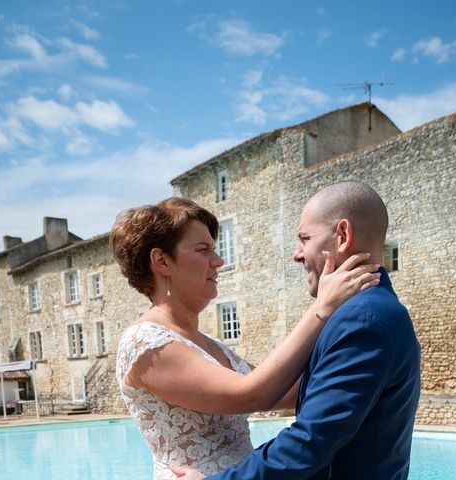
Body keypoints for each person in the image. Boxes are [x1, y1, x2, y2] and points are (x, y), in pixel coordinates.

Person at [111, 197, 380, 480]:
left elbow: (285, 392)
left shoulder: (211, 345)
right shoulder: (143, 343)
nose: (219, 261)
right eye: (203, 250)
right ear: (162, 261)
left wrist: (361, 353)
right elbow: (254, 394)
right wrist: (322, 308)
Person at [172, 181, 421, 480]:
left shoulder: (362, 319)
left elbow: (309, 444)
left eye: (305, 238)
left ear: (342, 236)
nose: (297, 254)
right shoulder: (372, 310)